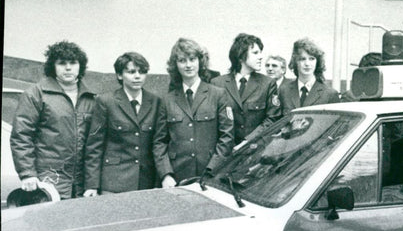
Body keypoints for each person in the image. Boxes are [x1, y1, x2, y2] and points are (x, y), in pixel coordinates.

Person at [10, 40, 96, 199]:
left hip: (83, 183)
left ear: (80, 66)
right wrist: (27, 173)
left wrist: (94, 183)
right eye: (62, 63)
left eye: (73, 63)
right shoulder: (36, 94)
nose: (68, 67)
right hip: (48, 180)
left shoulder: (91, 98)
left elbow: (96, 144)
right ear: (53, 66)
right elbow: (21, 136)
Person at [84, 52, 171, 195]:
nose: (137, 76)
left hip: (146, 183)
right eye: (131, 72)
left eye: (142, 72)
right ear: (119, 75)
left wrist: (163, 175)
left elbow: (159, 142)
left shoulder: (155, 102)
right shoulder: (106, 102)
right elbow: (94, 147)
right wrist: (92, 185)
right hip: (114, 183)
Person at [161, 38, 235, 185]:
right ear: (175, 65)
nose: (188, 65)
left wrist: (211, 170)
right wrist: (166, 174)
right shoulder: (166, 100)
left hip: (210, 174)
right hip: (177, 176)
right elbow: (159, 142)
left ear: (200, 62)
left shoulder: (218, 94)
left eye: (192, 59)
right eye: (182, 60)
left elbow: (227, 137)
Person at [212, 33, 280, 144]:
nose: (261, 57)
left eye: (260, 52)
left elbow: (273, 118)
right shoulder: (218, 83)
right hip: (225, 151)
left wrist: (248, 141)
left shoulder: (267, 84)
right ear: (240, 56)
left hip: (255, 149)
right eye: (255, 53)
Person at [278, 38, 340, 115]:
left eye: (312, 59)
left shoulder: (330, 94)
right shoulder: (284, 90)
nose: (307, 63)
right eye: (302, 59)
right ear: (295, 62)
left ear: (317, 62)